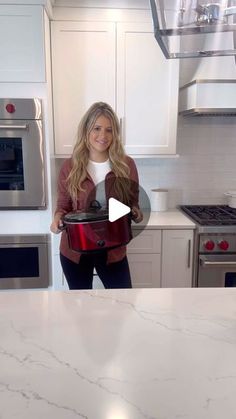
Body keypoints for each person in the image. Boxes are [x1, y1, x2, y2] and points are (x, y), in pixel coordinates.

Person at [50, 102, 143, 290]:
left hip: (113, 250)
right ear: (86, 130)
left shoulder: (126, 165)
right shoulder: (70, 166)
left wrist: (135, 213)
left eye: (109, 130)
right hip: (76, 249)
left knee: (123, 304)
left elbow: (134, 205)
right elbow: (63, 206)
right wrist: (57, 220)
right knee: (81, 308)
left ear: (115, 134)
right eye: (97, 128)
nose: (103, 136)